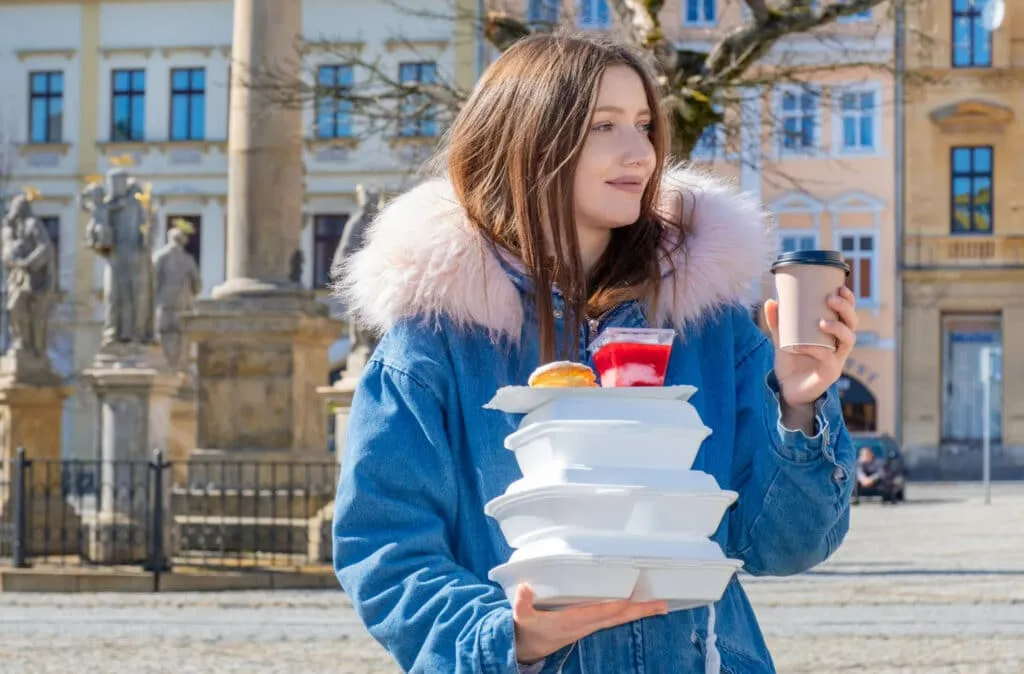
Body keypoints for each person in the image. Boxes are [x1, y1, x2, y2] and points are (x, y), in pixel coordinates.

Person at [333, 34, 858, 673]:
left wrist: (800, 407)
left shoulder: (708, 322)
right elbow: (385, 546)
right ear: (525, 139)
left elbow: (782, 545)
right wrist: (503, 637)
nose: (638, 152)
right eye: (602, 126)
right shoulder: (436, 340)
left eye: (642, 125)